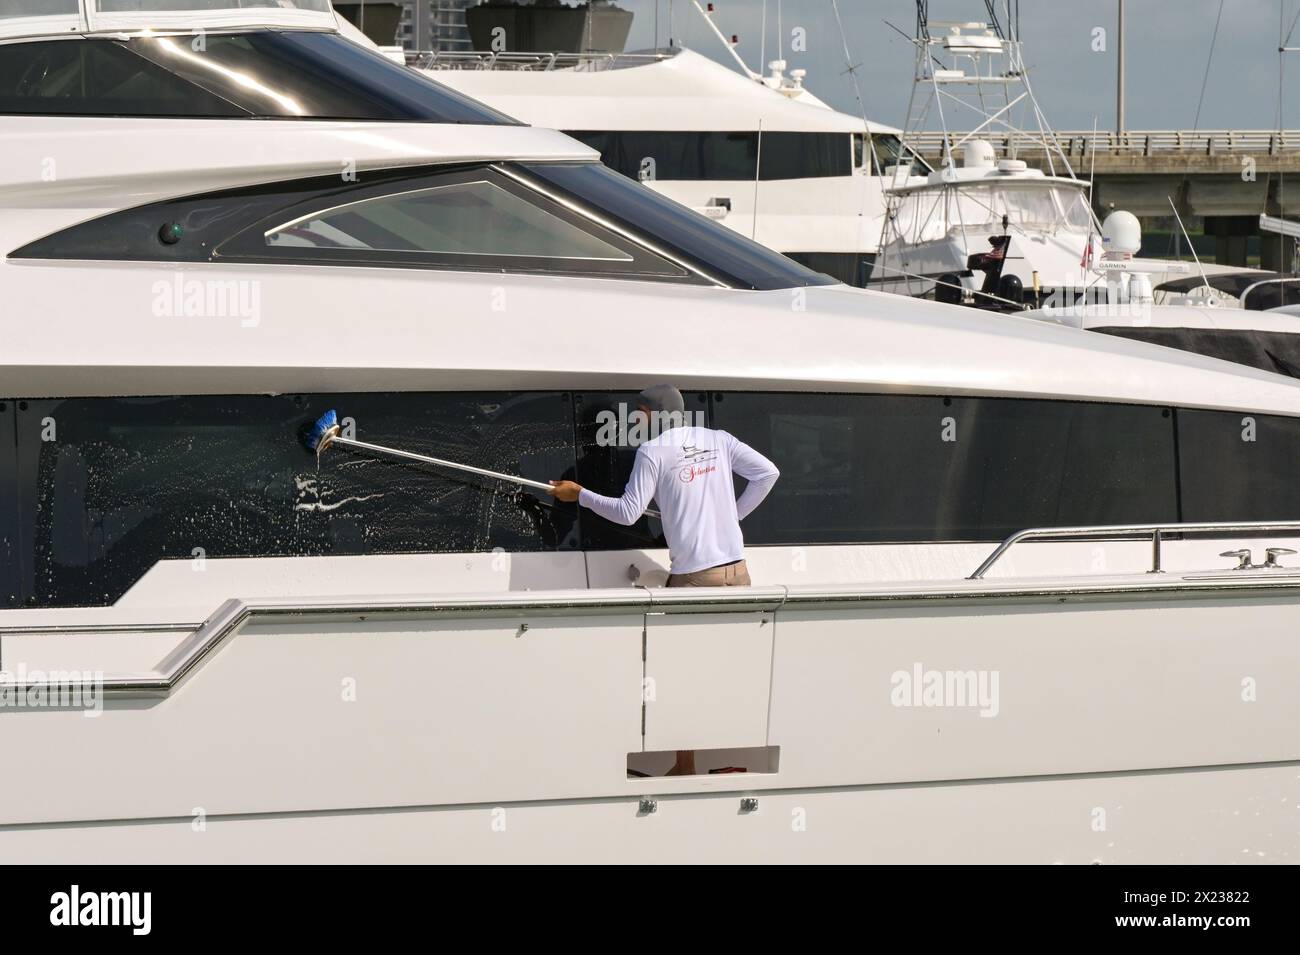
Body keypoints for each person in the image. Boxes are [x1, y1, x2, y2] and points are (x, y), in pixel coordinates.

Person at [548, 384, 780, 776]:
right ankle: (730, 761)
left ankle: (685, 766)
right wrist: (730, 518)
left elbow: (627, 512)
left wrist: (580, 495)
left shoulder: (653, 451)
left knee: (680, 672)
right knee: (727, 667)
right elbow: (767, 474)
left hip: (696, 578)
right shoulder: (719, 440)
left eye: (639, 412)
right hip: (738, 573)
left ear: (648, 414)